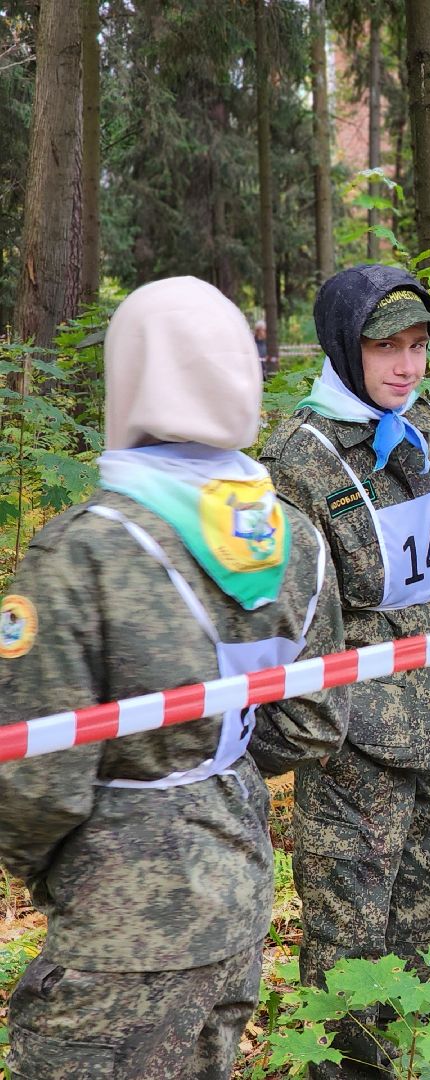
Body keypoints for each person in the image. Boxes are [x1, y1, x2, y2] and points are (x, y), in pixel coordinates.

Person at [0, 277, 349, 1079]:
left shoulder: (82, 552)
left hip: (118, 929)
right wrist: (205, 761)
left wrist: (38, 863)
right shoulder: (292, 537)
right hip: (238, 885)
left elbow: (37, 782)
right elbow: (310, 723)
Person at [260, 264, 430, 1079]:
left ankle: (416, 1061)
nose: (406, 365)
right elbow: (294, 619)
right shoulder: (296, 459)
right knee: (349, 956)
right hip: (356, 744)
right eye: (385, 345)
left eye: (418, 346)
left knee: (426, 935)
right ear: (345, 348)